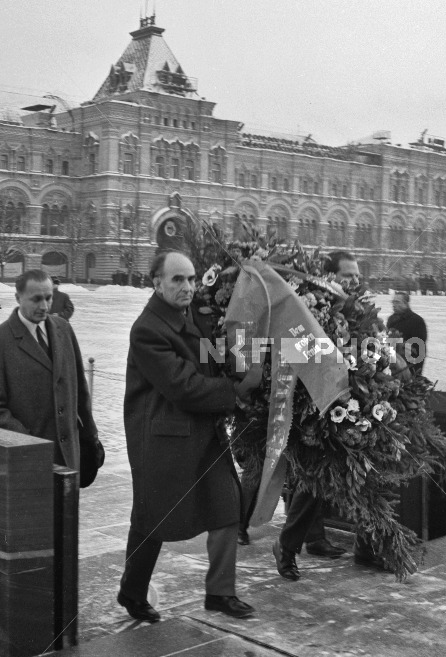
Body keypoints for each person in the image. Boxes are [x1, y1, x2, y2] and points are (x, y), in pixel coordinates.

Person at [118, 251, 261, 623]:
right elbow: (182, 385)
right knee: (152, 518)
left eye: (192, 279)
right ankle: (132, 592)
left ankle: (220, 592)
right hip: (164, 439)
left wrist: (249, 358)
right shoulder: (147, 329)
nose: (187, 287)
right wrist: (234, 391)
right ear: (156, 282)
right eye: (177, 280)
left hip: (203, 433)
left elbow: (209, 358)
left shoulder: (193, 317)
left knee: (226, 507)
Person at [272, 250, 374, 581]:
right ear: (328, 278)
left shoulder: (355, 310)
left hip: (347, 402)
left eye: (357, 276)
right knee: (314, 479)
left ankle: (305, 541)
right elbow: (295, 350)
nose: (355, 282)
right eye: (348, 276)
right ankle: (288, 547)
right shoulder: (311, 308)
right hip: (313, 406)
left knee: (321, 482)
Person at [0, 269, 99, 474]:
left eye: (48, 298)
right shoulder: (2, 339)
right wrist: (29, 443)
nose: (44, 306)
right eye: (36, 299)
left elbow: (80, 391)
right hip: (26, 463)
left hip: (69, 459)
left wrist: (91, 439)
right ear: (18, 297)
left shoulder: (63, 329)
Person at [386, 291, 428, 373]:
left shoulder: (416, 320)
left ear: (406, 303)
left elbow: (419, 345)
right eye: (393, 302)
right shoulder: (391, 319)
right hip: (393, 361)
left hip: (411, 362)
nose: (394, 305)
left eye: (397, 302)